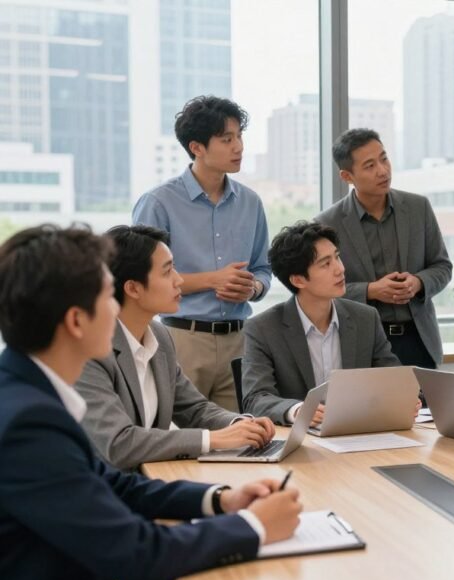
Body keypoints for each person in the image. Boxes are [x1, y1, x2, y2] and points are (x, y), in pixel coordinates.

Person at [0, 224, 301, 580]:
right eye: (107, 296)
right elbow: (137, 553)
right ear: (76, 321)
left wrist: (223, 499)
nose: (115, 309)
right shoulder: (28, 423)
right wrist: (253, 526)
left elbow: (116, 485)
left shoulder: (29, 393)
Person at [75, 225, 276, 471]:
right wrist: (212, 439)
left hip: (149, 480)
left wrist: (240, 423)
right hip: (104, 492)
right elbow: (118, 443)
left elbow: (193, 408)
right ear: (133, 288)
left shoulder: (159, 335)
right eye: (168, 271)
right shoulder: (90, 352)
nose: (179, 280)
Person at [133, 95, 272, 411]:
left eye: (239, 137)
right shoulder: (158, 203)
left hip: (240, 341)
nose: (238, 147)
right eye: (227, 139)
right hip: (182, 339)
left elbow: (263, 267)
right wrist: (213, 280)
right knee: (181, 443)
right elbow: (141, 279)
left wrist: (254, 287)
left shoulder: (251, 202)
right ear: (197, 147)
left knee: (239, 440)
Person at [315, 128, 451, 371]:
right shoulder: (327, 224)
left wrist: (418, 283)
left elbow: (442, 266)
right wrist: (371, 291)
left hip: (418, 339)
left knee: (424, 410)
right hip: (361, 341)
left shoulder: (418, 207)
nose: (383, 170)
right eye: (369, 165)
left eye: (384, 158)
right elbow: (320, 290)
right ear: (347, 176)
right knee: (368, 410)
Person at [243, 220, 404, 425]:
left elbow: (392, 380)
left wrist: (405, 398)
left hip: (357, 432)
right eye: (326, 264)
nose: (340, 269)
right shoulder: (262, 329)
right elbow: (255, 398)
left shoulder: (366, 318)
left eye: (337, 257)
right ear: (298, 280)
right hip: (302, 441)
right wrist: (297, 410)